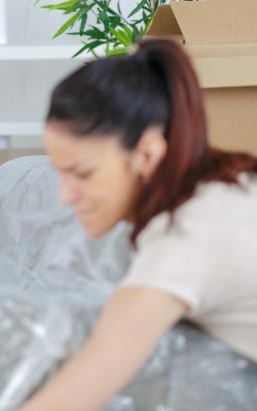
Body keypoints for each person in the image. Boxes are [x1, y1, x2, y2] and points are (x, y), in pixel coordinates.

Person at [20, 39, 257, 411]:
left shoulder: (189, 233)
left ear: (147, 153)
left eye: (82, 173)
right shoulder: (222, 185)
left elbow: (81, 387)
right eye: (60, 173)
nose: (65, 195)